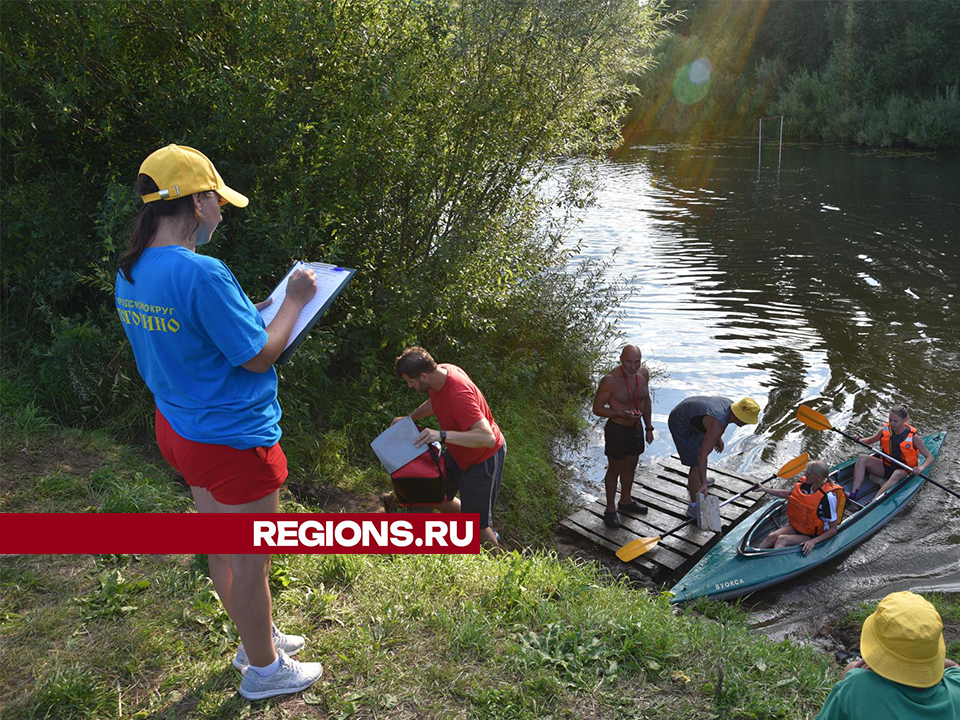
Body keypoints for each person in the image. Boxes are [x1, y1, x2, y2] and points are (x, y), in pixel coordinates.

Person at [115, 144, 323, 700]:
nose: (223, 211)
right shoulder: (202, 272)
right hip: (233, 440)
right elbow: (257, 355)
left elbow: (191, 336)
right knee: (251, 564)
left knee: (221, 547)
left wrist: (254, 312)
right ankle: (264, 670)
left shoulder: (132, 269)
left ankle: (255, 638)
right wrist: (296, 300)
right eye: (218, 199)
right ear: (196, 202)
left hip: (179, 430)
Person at [392, 347, 506, 548]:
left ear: (424, 376)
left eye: (410, 381)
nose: (409, 386)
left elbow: (487, 437)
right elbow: (435, 401)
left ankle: (501, 561)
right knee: (432, 493)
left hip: (483, 458)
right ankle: (470, 519)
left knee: (478, 527)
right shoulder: (441, 373)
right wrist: (409, 419)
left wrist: (440, 435)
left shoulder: (458, 394)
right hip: (458, 450)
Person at [816, 591, 960, 719]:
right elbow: (954, 667)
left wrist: (854, 674)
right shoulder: (956, 686)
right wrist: (921, 662)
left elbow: (850, 679)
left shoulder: (857, 686)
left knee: (851, 668)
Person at [668, 396, 760, 518]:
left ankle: (699, 481)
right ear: (739, 415)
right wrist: (704, 484)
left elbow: (713, 422)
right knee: (695, 463)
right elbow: (702, 456)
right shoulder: (717, 424)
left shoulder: (729, 407)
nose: (747, 423)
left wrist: (717, 437)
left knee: (702, 450)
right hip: (680, 422)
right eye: (747, 419)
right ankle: (693, 505)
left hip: (694, 419)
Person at [591, 345, 653, 527]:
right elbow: (597, 409)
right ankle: (610, 509)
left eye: (636, 362)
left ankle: (626, 500)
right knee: (615, 467)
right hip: (617, 428)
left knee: (631, 465)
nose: (633, 367)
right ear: (620, 359)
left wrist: (649, 428)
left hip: (636, 427)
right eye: (628, 362)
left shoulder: (644, 374)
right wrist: (619, 413)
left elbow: (646, 400)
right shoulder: (610, 380)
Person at [756, 460, 846, 555]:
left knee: (782, 539)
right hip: (797, 526)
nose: (805, 474)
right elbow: (788, 494)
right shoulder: (806, 485)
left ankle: (769, 566)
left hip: (812, 535)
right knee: (772, 536)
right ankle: (751, 560)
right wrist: (764, 489)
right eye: (806, 472)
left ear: (819, 478)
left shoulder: (828, 498)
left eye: (809, 474)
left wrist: (813, 541)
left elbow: (833, 530)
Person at [849, 405, 933, 503]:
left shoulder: (913, 438)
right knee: (862, 458)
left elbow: (929, 457)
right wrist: (858, 440)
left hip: (903, 470)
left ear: (904, 420)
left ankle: (874, 500)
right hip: (886, 466)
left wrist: (920, 468)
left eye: (895, 421)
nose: (892, 423)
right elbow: (870, 440)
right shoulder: (885, 430)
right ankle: (853, 494)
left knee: (897, 473)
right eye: (890, 420)